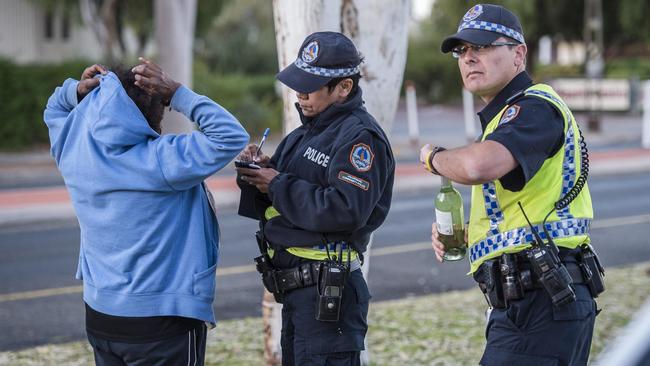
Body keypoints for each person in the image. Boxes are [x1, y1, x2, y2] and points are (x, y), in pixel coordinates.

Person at [419, 4, 604, 366]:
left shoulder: (533, 107)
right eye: (462, 50)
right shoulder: (506, 118)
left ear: (519, 54)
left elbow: (478, 165)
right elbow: (525, 210)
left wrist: (433, 157)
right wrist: (472, 233)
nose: (470, 58)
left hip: (541, 302)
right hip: (533, 300)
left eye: (484, 46)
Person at [43, 59, 249, 365]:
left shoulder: (73, 151)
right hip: (162, 323)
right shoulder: (163, 160)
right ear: (158, 112)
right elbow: (231, 136)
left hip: (101, 316)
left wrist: (76, 90)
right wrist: (177, 92)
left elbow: (54, 110)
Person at [236, 31, 395, 365]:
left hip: (326, 298)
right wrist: (256, 172)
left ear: (343, 88)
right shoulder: (303, 134)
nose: (299, 93)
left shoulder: (359, 138)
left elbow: (344, 209)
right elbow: (275, 203)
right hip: (297, 295)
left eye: (309, 86)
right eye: (297, 83)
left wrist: (276, 183)